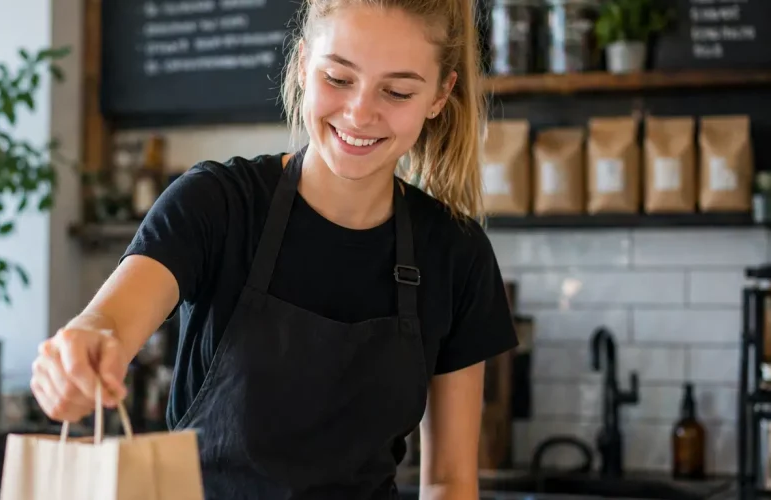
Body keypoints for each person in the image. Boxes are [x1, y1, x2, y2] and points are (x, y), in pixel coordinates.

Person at [30, 0, 518, 498]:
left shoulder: (457, 255)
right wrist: (82, 350)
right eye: (338, 78)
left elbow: (450, 482)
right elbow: (109, 322)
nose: (359, 113)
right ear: (304, 64)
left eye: (396, 91)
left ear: (440, 95)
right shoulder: (217, 205)